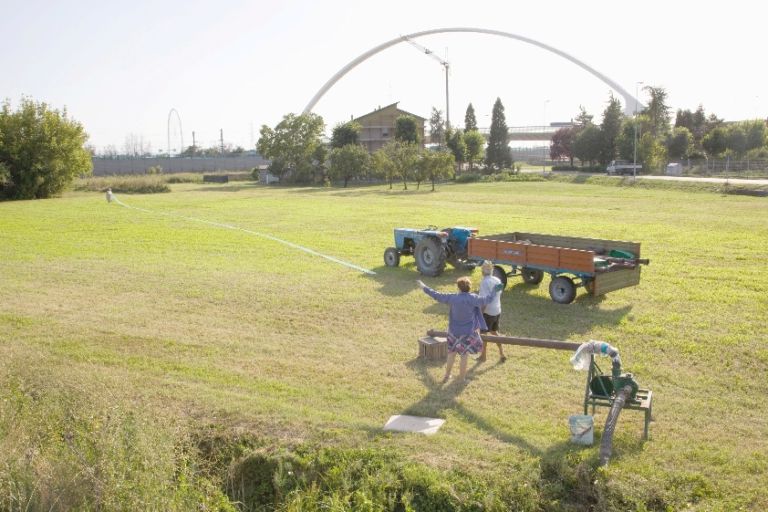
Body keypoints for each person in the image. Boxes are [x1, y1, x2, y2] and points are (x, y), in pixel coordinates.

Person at [417, 277, 499, 383]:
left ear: (458, 287)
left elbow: (436, 295)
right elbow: (487, 299)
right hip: (468, 333)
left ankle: (447, 376)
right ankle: (462, 378)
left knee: (451, 354)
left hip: (453, 332)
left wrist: (424, 287)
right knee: (464, 356)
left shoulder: (453, 298)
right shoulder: (473, 298)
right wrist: (494, 290)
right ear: (469, 287)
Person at [477, 260, 505, 363]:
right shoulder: (497, 280)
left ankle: (483, 356)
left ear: (482, 271)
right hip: (497, 309)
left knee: (483, 334)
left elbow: (484, 301)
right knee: (494, 331)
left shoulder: (484, 282)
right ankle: (502, 353)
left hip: (488, 312)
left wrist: (479, 314)